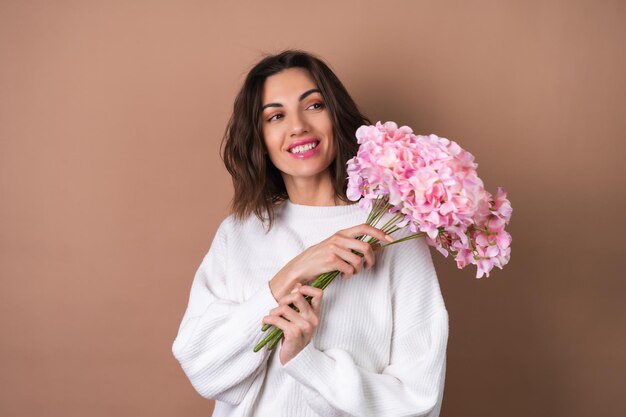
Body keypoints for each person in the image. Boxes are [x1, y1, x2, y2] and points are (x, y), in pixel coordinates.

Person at [172, 50, 449, 417]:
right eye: (275, 116)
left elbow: (419, 398)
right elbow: (203, 368)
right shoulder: (239, 233)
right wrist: (293, 271)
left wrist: (307, 362)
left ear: (336, 116)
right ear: (260, 139)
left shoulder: (390, 231)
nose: (298, 126)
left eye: (314, 106)